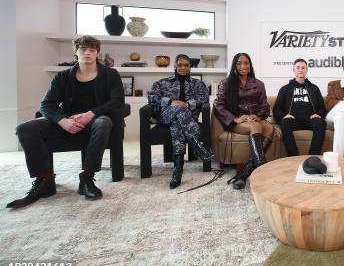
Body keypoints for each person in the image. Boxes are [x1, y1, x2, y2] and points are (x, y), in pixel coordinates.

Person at [7, 36, 124, 208]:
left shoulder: (110, 74)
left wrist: (91, 113)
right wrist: (62, 121)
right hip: (67, 119)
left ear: (98, 53)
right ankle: (45, 180)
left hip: (96, 118)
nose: (87, 53)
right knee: (24, 129)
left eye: (92, 49)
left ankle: (87, 179)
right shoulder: (62, 77)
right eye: (83, 49)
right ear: (76, 52)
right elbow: (47, 105)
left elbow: (117, 101)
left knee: (104, 123)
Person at [148, 54, 214, 189]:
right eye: (180, 65)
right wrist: (171, 102)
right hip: (166, 116)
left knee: (178, 124)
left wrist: (188, 104)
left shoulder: (198, 84)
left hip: (185, 119)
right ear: (175, 66)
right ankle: (198, 147)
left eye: (186, 65)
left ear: (190, 67)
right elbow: (152, 98)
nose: (183, 68)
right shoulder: (161, 83)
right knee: (179, 109)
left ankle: (178, 171)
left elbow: (204, 99)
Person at [214, 53, 274, 190]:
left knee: (270, 128)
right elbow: (218, 105)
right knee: (255, 127)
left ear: (250, 65)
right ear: (235, 66)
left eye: (246, 63)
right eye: (239, 63)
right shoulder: (226, 83)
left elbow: (264, 106)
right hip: (237, 121)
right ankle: (261, 170)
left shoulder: (259, 84)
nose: (243, 66)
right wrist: (235, 118)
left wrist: (258, 116)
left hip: (254, 118)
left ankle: (243, 174)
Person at [273, 59, 326, 157]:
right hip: (293, 120)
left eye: (303, 68)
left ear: (306, 70)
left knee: (321, 123)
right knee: (284, 123)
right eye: (298, 67)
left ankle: (313, 157)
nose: (300, 70)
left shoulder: (314, 88)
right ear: (294, 70)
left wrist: (318, 114)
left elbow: (322, 107)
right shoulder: (285, 89)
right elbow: (277, 108)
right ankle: (294, 156)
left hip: (310, 119)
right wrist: (284, 116)